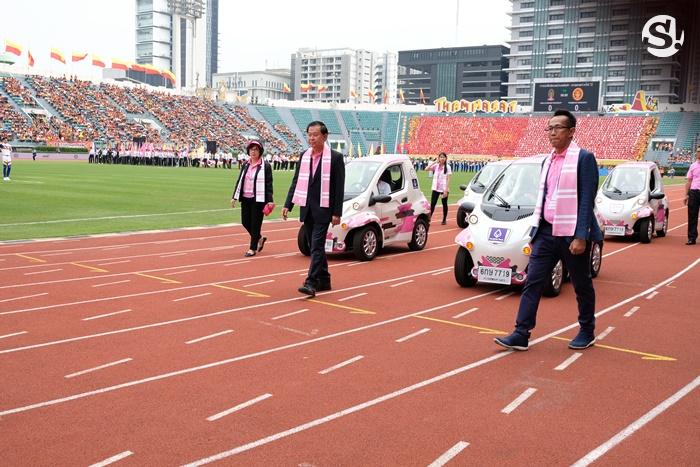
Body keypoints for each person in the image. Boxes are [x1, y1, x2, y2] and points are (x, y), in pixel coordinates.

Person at [495, 109, 602, 352]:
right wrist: (535, 230)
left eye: (558, 128)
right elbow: (544, 197)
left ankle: (587, 329)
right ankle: (521, 332)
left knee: (581, 284)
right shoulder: (548, 160)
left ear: (571, 132)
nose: (552, 133)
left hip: (571, 233)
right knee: (532, 281)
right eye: (549, 128)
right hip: (545, 231)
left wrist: (581, 236)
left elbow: (587, 199)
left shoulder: (584, 159)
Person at [282, 121, 345, 297]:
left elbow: (339, 188)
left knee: (317, 246)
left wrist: (337, 212)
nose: (311, 138)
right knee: (313, 246)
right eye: (309, 134)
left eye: (315, 134)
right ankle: (324, 279)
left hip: (324, 209)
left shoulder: (336, 158)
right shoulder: (304, 156)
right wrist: (288, 204)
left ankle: (310, 282)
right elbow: (297, 181)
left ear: (324, 136)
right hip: (307, 208)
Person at [231, 140, 274, 256]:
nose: (253, 152)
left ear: (260, 151)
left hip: (258, 199)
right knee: (245, 222)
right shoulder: (245, 164)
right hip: (245, 197)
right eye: (251, 149)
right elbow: (240, 180)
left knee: (255, 224)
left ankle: (252, 248)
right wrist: (234, 196)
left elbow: (269, 184)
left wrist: (270, 200)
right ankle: (259, 238)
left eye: (256, 149)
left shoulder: (265, 166)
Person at [427, 152, 451, 225]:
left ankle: (444, 219)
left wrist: (446, 190)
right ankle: (429, 218)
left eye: (443, 157)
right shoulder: (436, 166)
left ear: (446, 158)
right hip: (435, 188)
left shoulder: (448, 167)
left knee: (444, 204)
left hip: (444, 188)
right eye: (440, 157)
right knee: (432, 204)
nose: (442, 158)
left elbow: (449, 178)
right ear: (439, 158)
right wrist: (434, 162)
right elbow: (426, 169)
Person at [684, 147, 700, 245]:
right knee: (692, 216)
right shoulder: (693, 166)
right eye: (698, 151)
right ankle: (691, 237)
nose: (698, 153)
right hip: (694, 192)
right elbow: (689, 181)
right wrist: (686, 195)